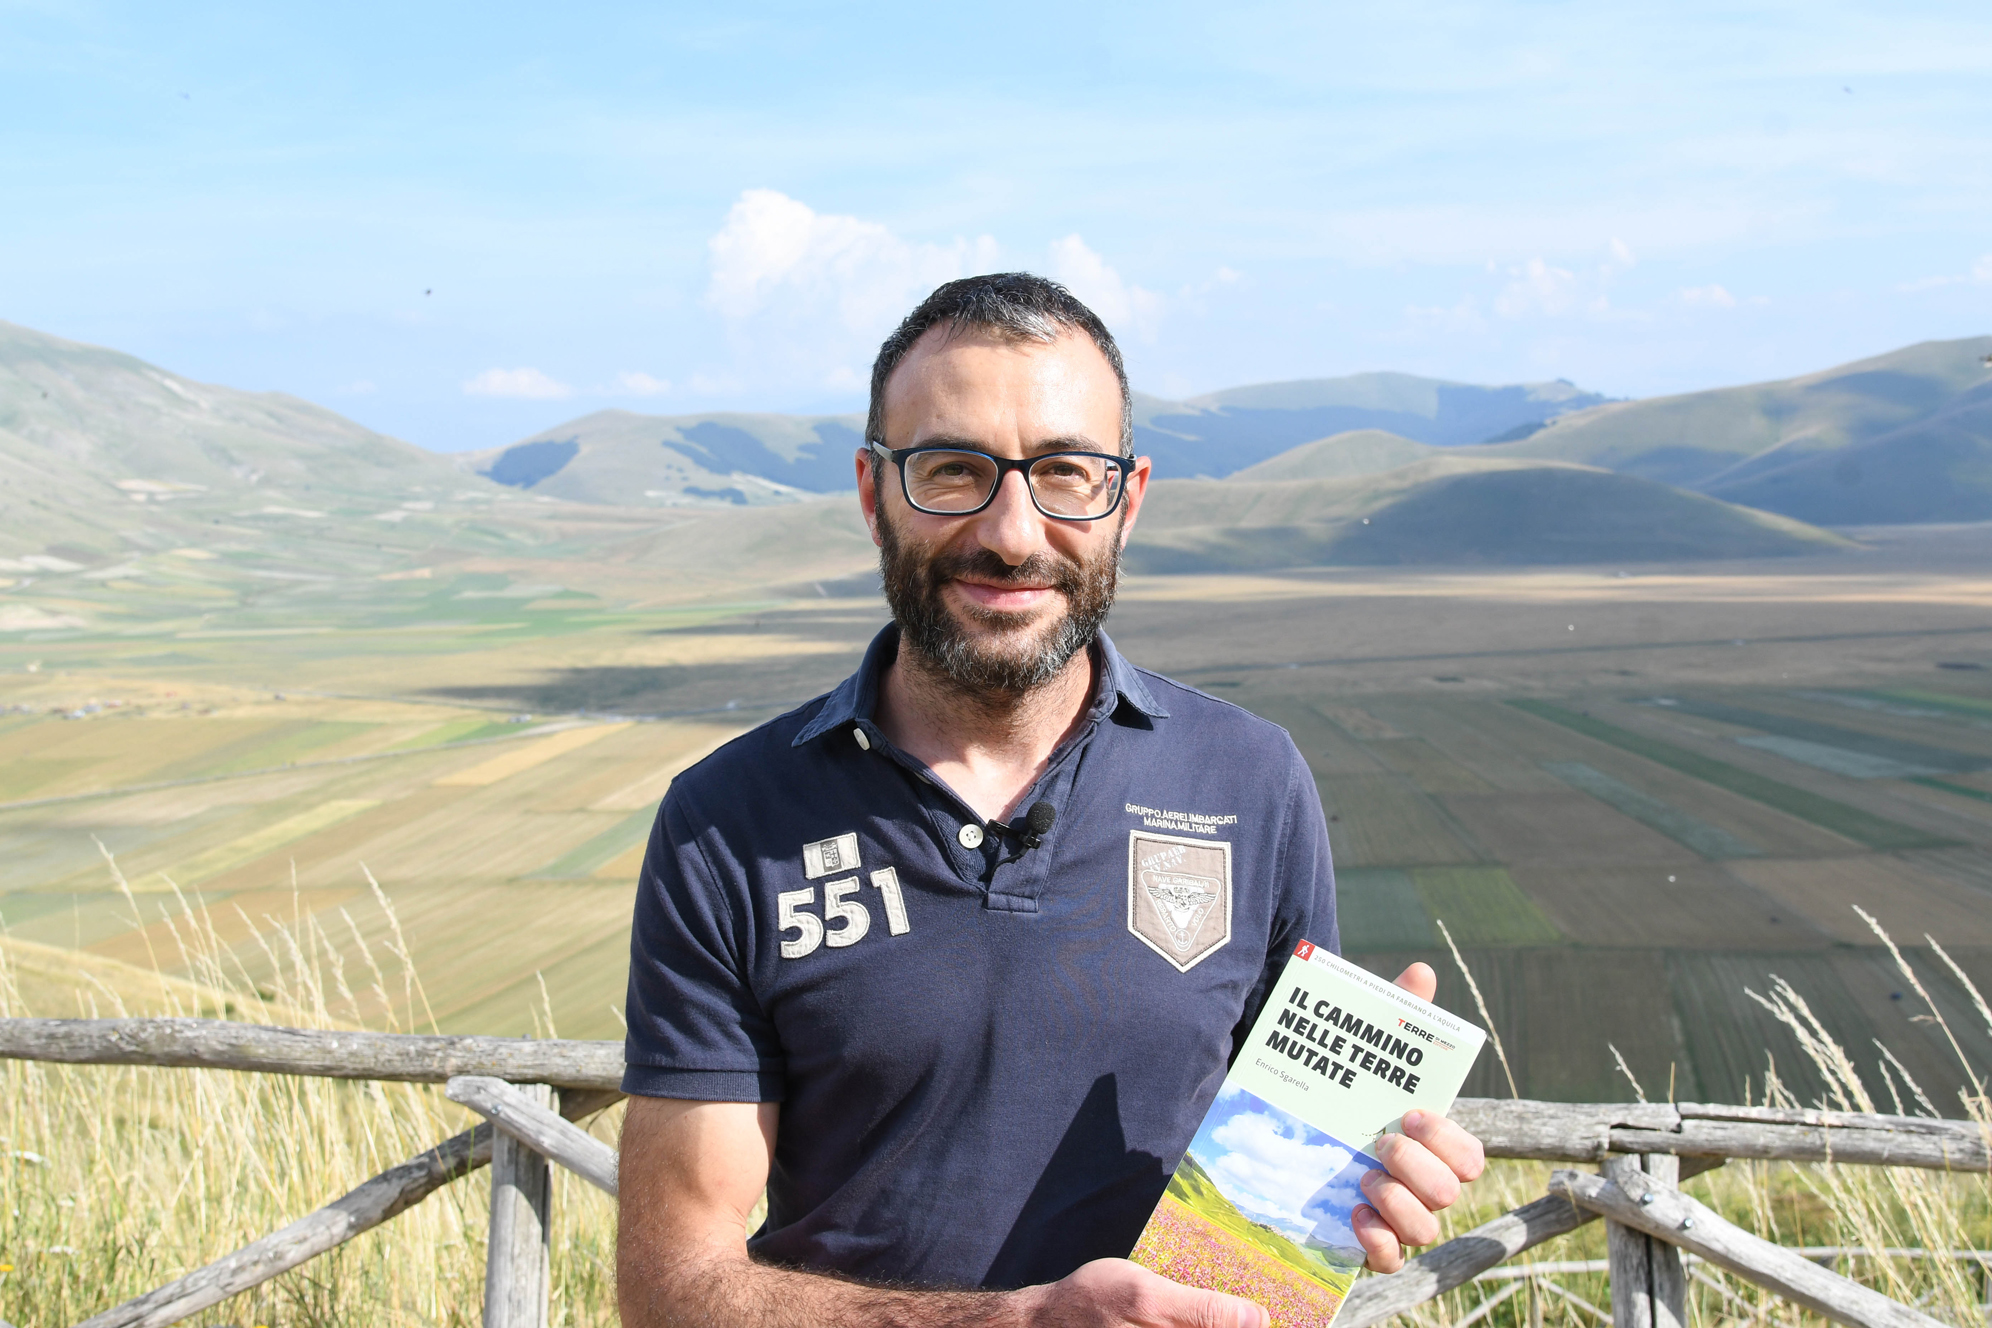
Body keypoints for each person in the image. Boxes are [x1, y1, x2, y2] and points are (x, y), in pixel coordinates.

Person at [617, 273, 1484, 1328]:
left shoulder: (1252, 781)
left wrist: (1359, 1175)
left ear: (1129, 497)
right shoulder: (726, 824)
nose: (1013, 533)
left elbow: (1277, 1169)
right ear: (872, 491)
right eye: (953, 470)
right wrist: (1021, 1324)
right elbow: (673, 1290)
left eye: (1067, 472)